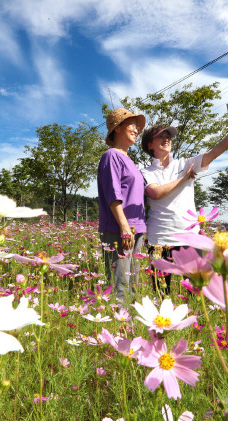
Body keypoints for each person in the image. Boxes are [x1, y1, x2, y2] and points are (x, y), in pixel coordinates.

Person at [140, 116, 228, 294]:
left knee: (196, 290)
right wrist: (184, 178)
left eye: (168, 136)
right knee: (160, 293)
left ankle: (195, 322)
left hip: (188, 236)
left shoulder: (185, 163)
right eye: (161, 136)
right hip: (159, 237)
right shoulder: (146, 172)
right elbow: (156, 193)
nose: (167, 139)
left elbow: (214, 152)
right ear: (149, 145)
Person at [97, 108, 146, 302]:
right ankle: (118, 328)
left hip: (137, 228)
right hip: (120, 230)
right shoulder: (111, 156)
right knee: (120, 287)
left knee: (133, 285)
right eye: (131, 124)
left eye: (137, 125)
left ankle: (132, 328)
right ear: (117, 128)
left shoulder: (130, 161)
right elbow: (113, 195)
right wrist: (125, 228)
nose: (136, 129)